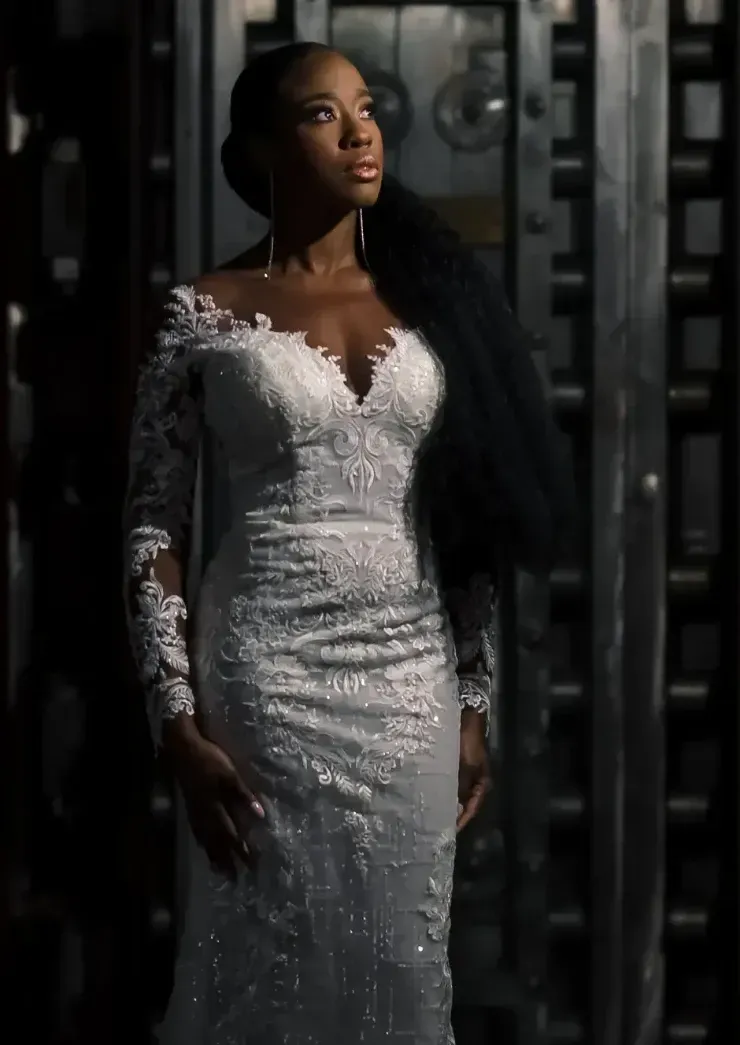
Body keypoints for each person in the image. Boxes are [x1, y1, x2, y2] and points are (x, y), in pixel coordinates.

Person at [123, 41, 572, 1045]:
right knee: (265, 968)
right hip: (263, 686)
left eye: (365, 108)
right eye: (323, 114)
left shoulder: (434, 301)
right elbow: (156, 524)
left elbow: (469, 508)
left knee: (399, 975)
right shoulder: (204, 312)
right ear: (259, 150)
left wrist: (470, 697)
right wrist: (175, 722)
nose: (361, 129)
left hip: (409, 686)